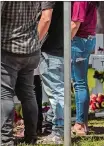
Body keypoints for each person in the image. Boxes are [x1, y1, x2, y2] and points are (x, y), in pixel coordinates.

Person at [1, 2, 54, 145]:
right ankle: (31, 136)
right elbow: (46, 18)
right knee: (28, 94)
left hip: (7, 48)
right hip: (31, 49)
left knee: (5, 95)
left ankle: (5, 140)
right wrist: (35, 42)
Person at [71, 1, 99, 136]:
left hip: (79, 40)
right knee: (81, 83)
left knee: (79, 83)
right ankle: (83, 122)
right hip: (87, 39)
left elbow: (75, 24)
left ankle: (80, 124)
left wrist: (63, 44)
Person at [39, 1, 64, 144]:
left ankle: (59, 132)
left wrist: (34, 43)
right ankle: (60, 130)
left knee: (57, 94)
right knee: (59, 92)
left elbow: (46, 18)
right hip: (59, 46)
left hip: (51, 48)